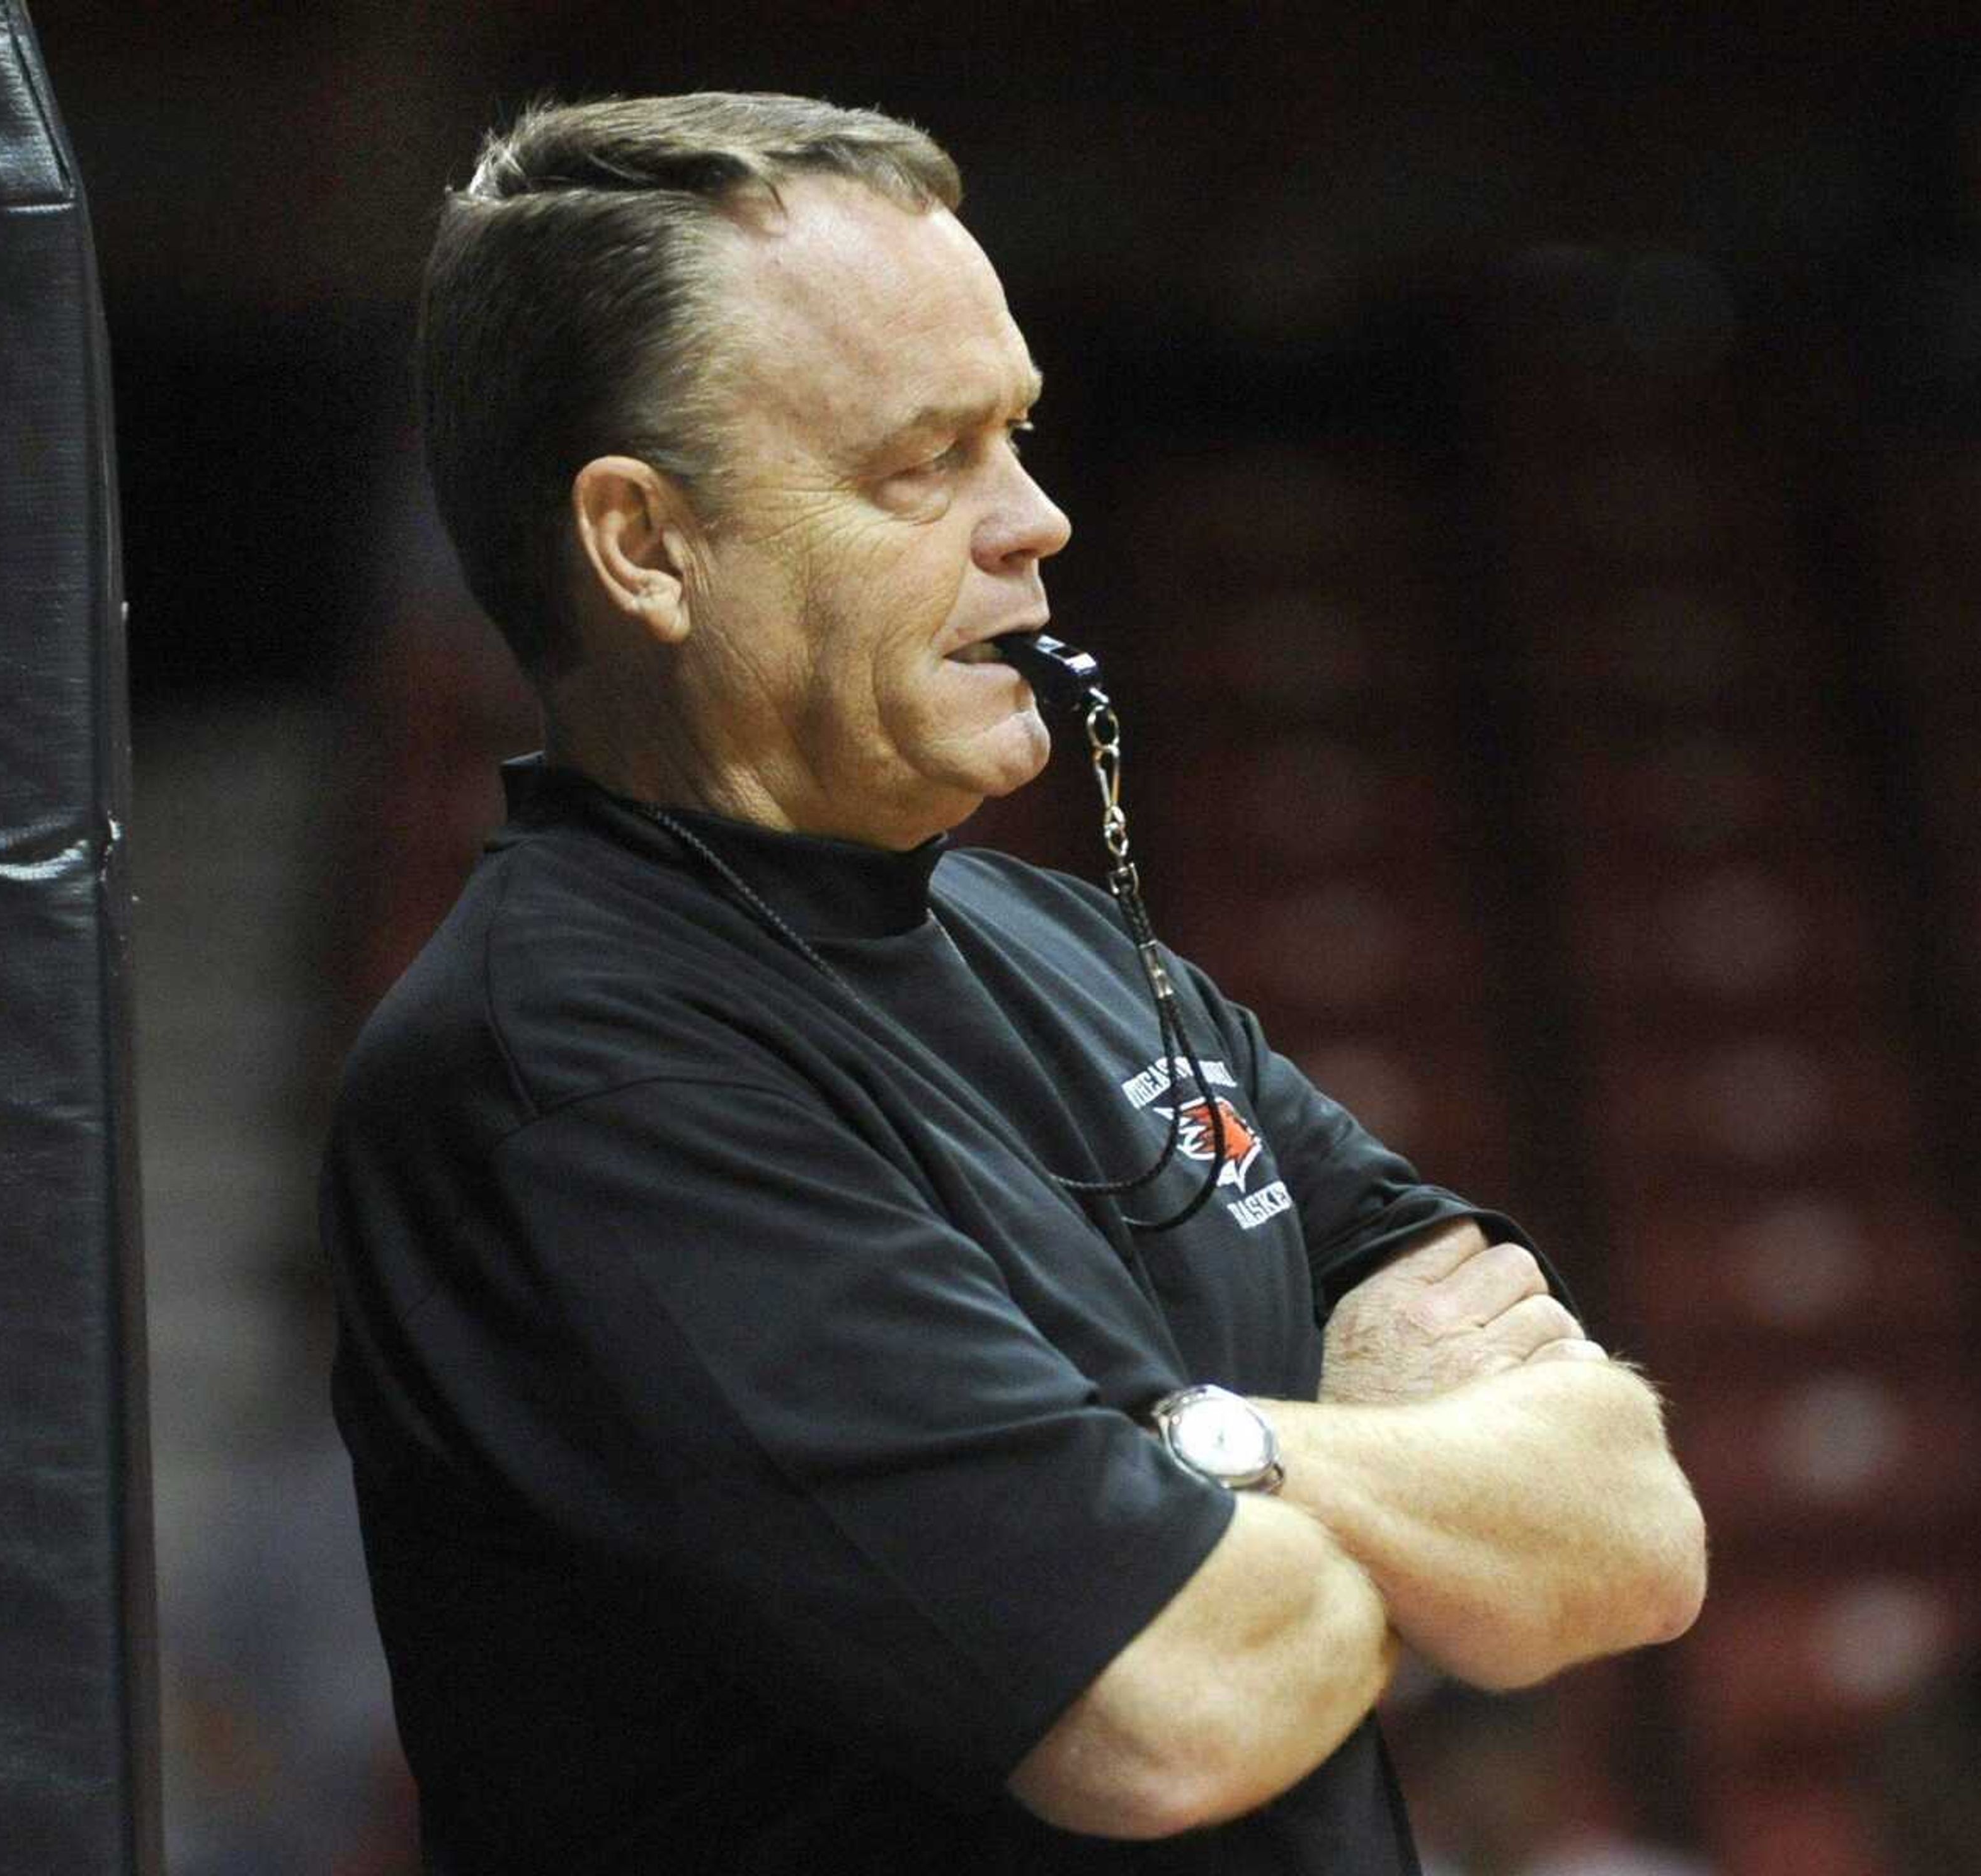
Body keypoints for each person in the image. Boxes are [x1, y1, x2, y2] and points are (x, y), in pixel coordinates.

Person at [322, 91, 1707, 1875]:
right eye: (923, 463)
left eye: (1019, 437)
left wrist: (1180, 1450)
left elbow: (1626, 1525)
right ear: (644, 546)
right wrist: (1399, 1493)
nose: (1037, 521)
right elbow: (1171, 1700)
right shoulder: (563, 1068)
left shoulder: (1073, 952)